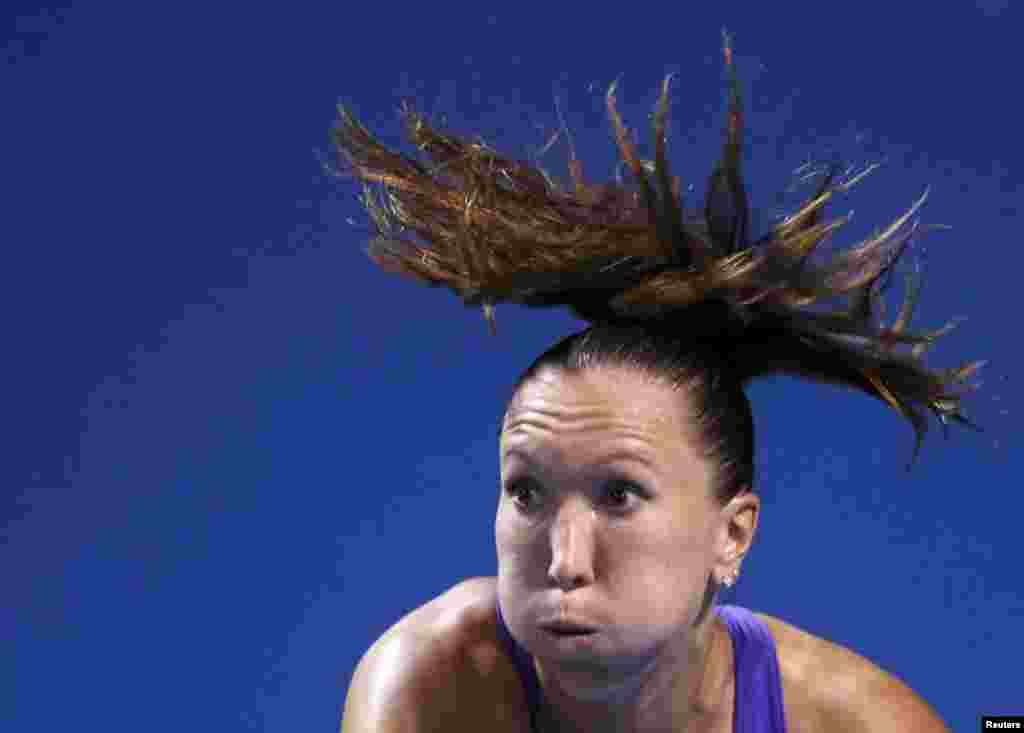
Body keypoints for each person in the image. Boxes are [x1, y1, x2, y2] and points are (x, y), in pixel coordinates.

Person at [335, 32, 978, 733]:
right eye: (526, 491)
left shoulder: (864, 724)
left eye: (619, 494)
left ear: (731, 536)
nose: (564, 560)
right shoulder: (430, 687)